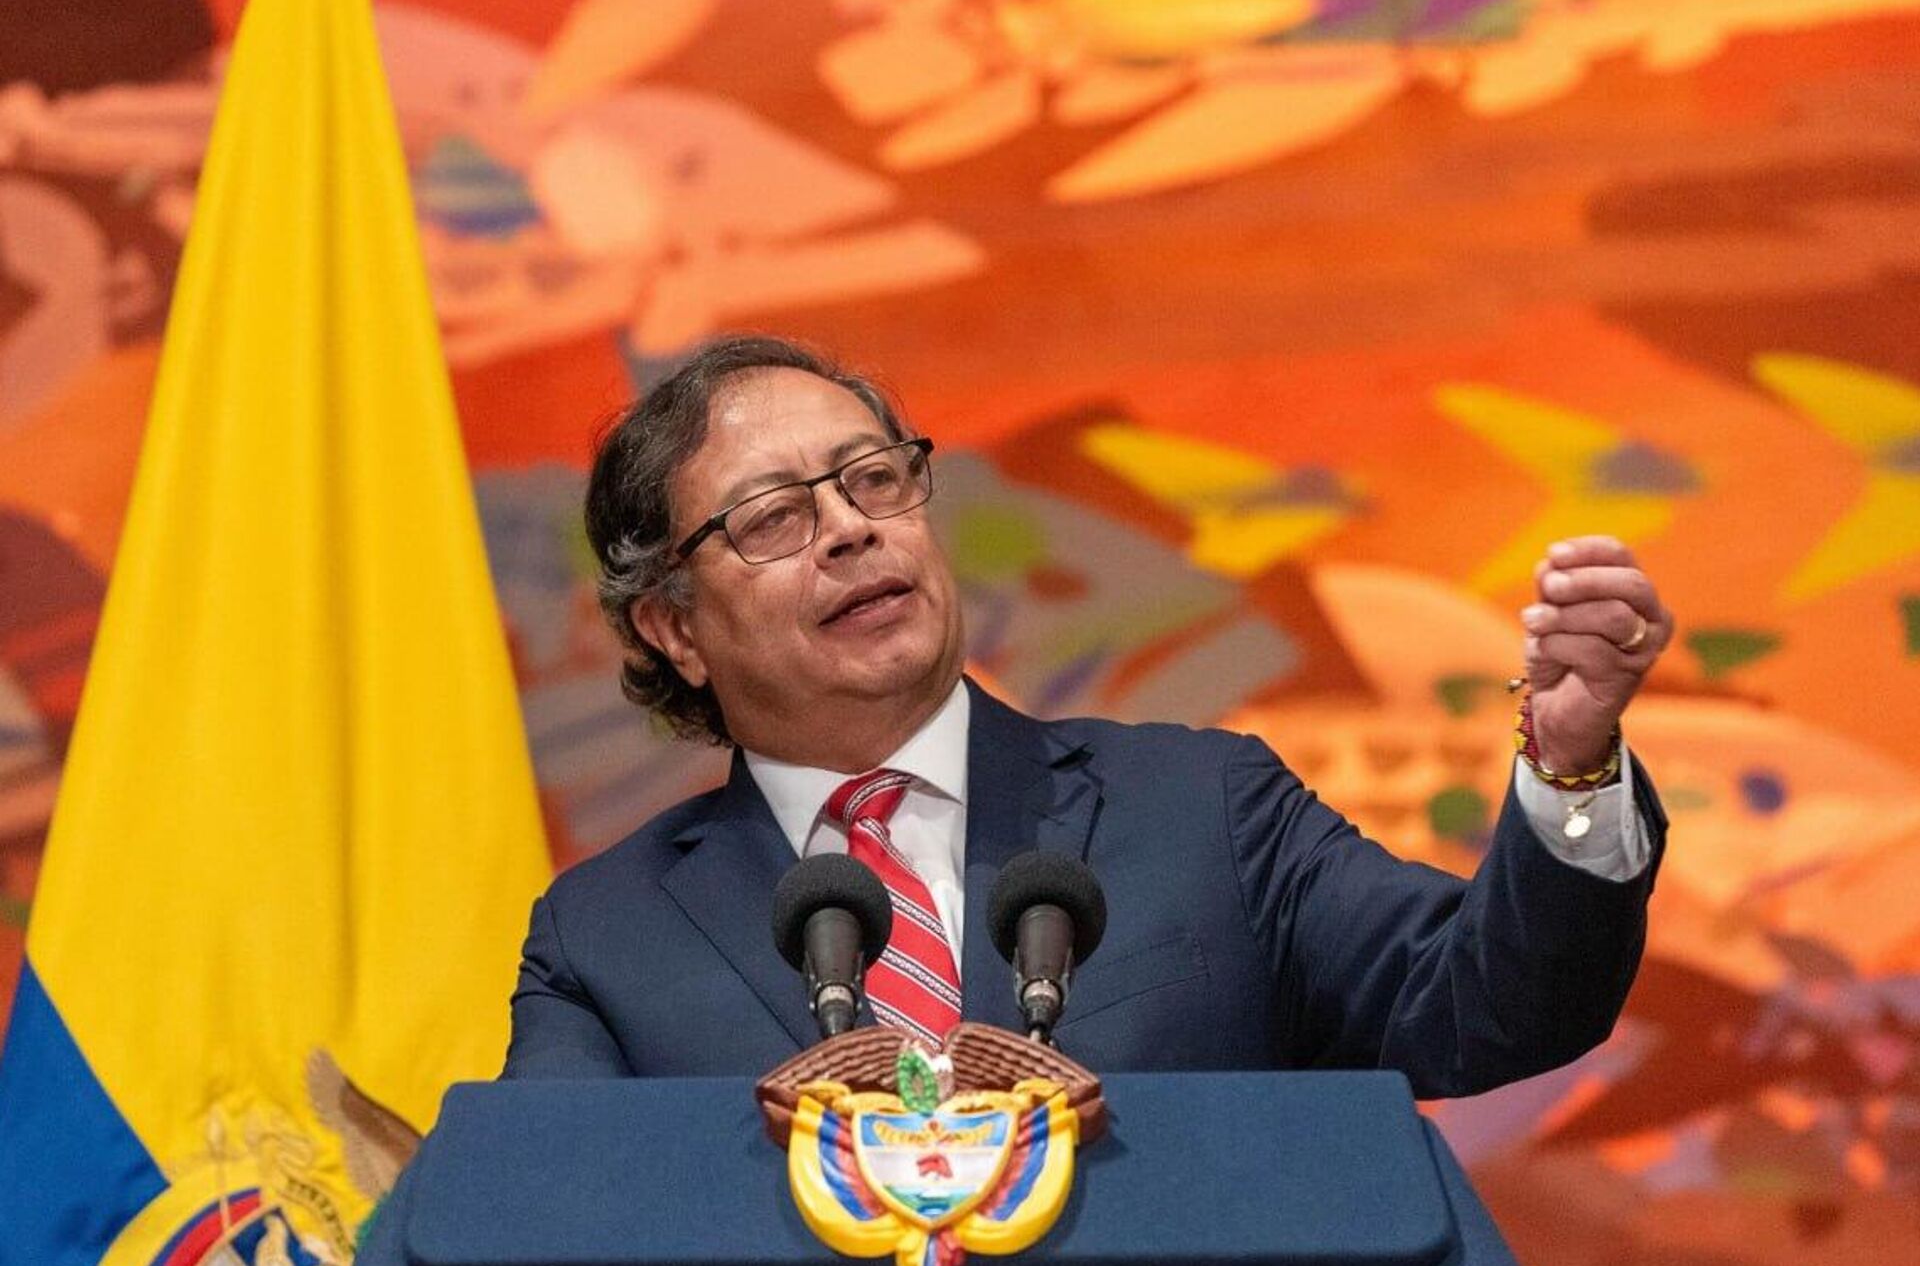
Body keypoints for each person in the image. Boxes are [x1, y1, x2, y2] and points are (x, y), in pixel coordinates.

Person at [503, 335, 1672, 1096]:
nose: (852, 529)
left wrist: (1572, 768)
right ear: (674, 627)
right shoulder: (605, 939)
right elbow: (545, 1232)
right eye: (774, 518)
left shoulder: (1205, 810)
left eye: (874, 479)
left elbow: (1492, 1005)